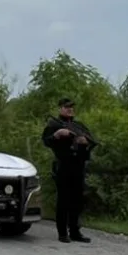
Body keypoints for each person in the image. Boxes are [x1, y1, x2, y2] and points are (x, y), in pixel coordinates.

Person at [41, 97, 97, 243]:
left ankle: (75, 230)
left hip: (78, 166)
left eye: (71, 107)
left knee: (77, 200)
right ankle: (62, 232)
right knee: (63, 200)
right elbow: (46, 141)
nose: (70, 109)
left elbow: (91, 141)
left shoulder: (79, 126)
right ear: (60, 108)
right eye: (66, 107)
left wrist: (84, 143)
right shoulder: (54, 124)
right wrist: (57, 135)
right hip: (63, 165)